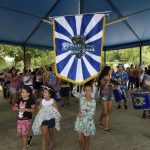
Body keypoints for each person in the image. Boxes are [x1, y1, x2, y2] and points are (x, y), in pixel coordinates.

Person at [32, 86, 61, 150]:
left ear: (50, 94)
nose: (43, 93)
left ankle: (52, 142)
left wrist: (54, 105)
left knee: (51, 133)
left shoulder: (52, 101)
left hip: (51, 119)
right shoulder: (42, 101)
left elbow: (57, 109)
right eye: (43, 92)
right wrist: (38, 106)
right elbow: (39, 110)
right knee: (43, 135)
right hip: (44, 119)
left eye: (45, 92)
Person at [72, 83, 96, 150]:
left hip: (88, 122)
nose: (87, 92)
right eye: (86, 90)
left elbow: (92, 113)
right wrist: (76, 84)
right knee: (80, 139)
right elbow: (74, 92)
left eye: (89, 90)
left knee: (87, 139)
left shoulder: (93, 101)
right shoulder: (81, 97)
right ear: (83, 91)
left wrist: (83, 114)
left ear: (92, 91)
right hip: (80, 121)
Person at [14, 86, 35, 150]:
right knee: (19, 134)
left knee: (24, 134)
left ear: (28, 93)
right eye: (21, 92)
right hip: (19, 119)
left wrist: (25, 109)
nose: (21, 93)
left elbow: (33, 110)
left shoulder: (31, 100)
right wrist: (17, 108)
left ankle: (25, 148)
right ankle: (28, 138)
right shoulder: (20, 99)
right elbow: (14, 107)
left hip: (27, 119)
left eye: (23, 92)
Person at [97, 66, 113, 132]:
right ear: (107, 71)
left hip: (110, 95)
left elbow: (111, 88)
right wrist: (108, 81)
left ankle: (106, 127)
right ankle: (100, 121)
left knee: (108, 112)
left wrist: (116, 86)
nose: (111, 71)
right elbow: (103, 88)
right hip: (104, 96)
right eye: (110, 70)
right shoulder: (102, 78)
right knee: (105, 112)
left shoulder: (110, 77)